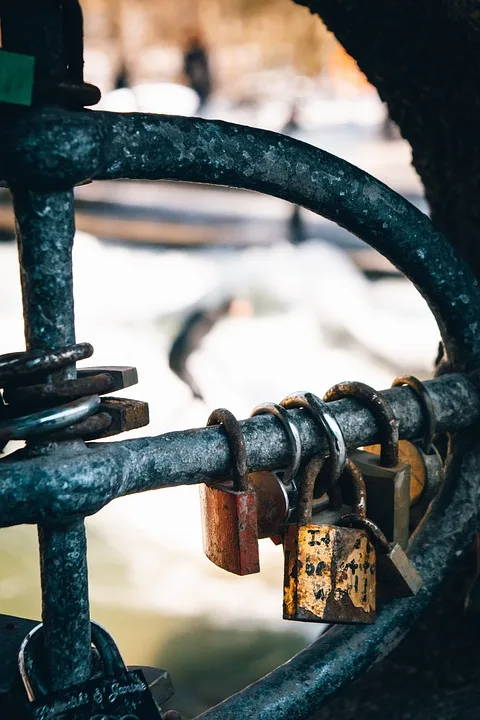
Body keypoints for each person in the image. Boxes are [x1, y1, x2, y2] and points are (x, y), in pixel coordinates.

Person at [183, 32, 212, 112]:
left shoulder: (200, 53)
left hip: (201, 81)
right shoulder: (191, 54)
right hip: (196, 81)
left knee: (202, 100)